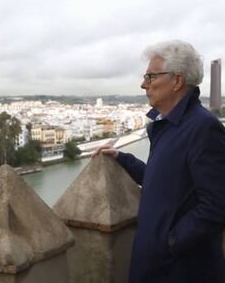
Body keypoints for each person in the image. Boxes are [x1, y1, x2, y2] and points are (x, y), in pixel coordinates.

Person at [94, 40, 225, 283]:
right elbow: (164, 183)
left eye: (151, 77)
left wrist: (170, 243)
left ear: (177, 81)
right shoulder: (167, 126)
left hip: (181, 270)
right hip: (156, 264)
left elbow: (216, 205)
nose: (144, 84)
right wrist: (123, 158)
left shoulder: (203, 128)